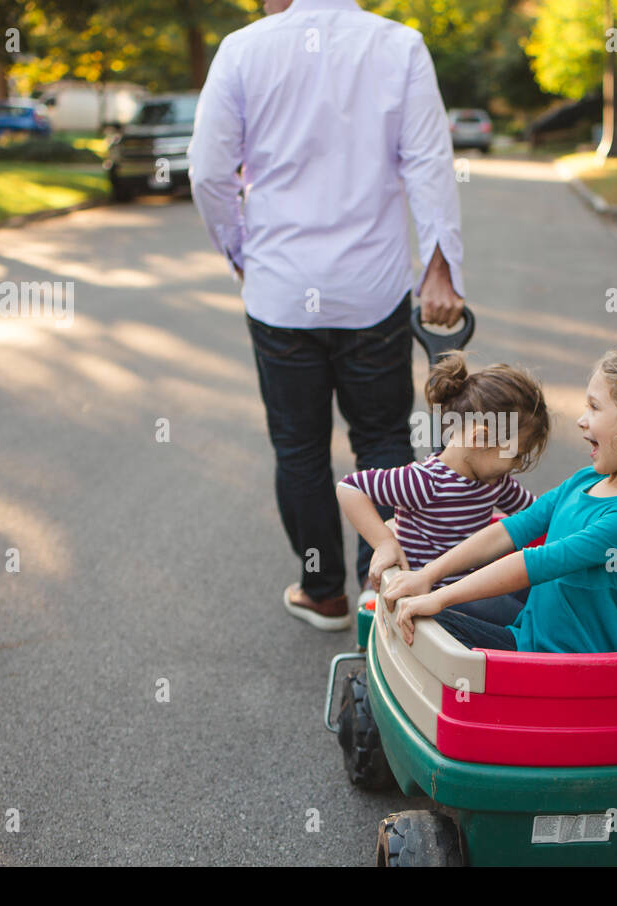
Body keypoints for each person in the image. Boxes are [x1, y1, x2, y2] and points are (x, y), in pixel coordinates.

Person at [188, 0, 466, 632]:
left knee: (300, 446)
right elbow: (428, 161)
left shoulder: (242, 49)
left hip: (281, 290)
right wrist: (441, 267)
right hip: (373, 288)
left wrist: (238, 251)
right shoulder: (398, 45)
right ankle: (384, 590)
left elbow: (208, 172)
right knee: (383, 438)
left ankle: (323, 591)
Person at [383, 340, 617, 654]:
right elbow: (511, 530)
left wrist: (438, 597)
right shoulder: (587, 479)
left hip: (566, 667)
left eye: (594, 408)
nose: (581, 420)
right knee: (424, 609)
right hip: (530, 637)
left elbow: (535, 563)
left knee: (434, 621)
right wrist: (428, 576)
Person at [336, 351, 551, 607]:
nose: (517, 466)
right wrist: (384, 542)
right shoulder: (427, 481)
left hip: (464, 594)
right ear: (479, 439)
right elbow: (350, 487)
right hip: (425, 601)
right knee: (522, 608)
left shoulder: (495, 483)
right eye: (516, 455)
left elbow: (538, 515)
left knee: (536, 590)